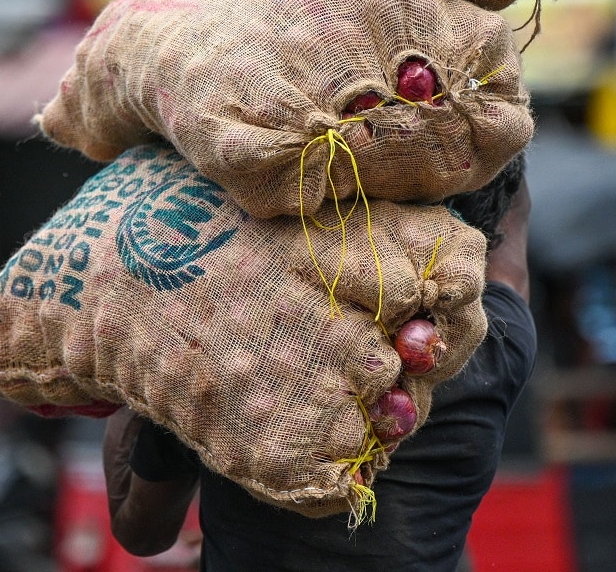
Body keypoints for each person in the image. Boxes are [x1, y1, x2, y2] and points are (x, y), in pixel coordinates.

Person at [103, 153, 537, 572]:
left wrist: (134, 364)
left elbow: (142, 531)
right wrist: (492, 147)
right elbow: (509, 251)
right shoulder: (499, 345)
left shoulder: (227, 347)